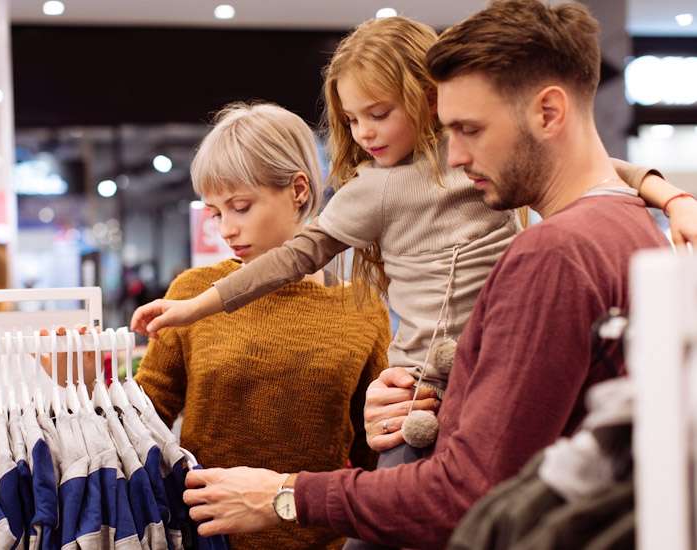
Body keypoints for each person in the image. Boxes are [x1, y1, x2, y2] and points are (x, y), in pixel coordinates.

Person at [171, 2, 674, 548]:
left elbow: (464, 490)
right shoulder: (629, 226)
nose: (453, 156)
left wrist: (285, 495)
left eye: (469, 129)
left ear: (549, 113)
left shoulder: (553, 254)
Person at [134, 102, 391, 550]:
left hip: (322, 540)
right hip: (208, 537)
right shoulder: (194, 293)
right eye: (215, 213)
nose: (227, 230)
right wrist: (74, 384)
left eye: (240, 207)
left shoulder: (360, 305)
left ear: (298, 189)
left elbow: (376, 453)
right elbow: (145, 419)